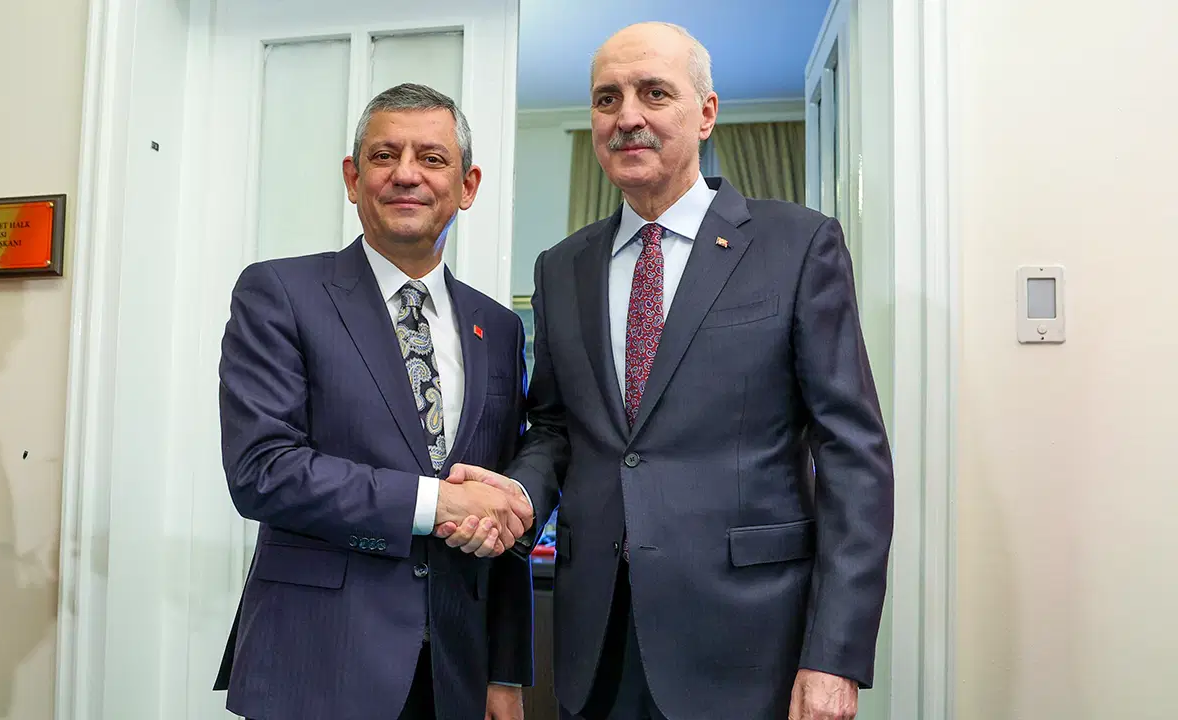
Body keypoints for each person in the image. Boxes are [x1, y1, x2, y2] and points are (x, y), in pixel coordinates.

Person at [437, 22, 895, 720]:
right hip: (598, 642)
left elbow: (853, 457)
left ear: (706, 113)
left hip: (751, 643)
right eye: (607, 99)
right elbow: (557, 427)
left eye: (654, 93)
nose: (628, 117)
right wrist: (521, 495)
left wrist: (834, 654)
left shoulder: (798, 245)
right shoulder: (561, 268)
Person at [212, 83, 536, 720]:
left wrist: (506, 670)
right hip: (318, 664)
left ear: (467, 186)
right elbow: (262, 471)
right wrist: (436, 502)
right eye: (384, 156)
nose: (406, 174)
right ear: (352, 178)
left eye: (432, 158)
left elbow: (497, 496)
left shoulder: (498, 327)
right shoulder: (280, 292)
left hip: (456, 673)